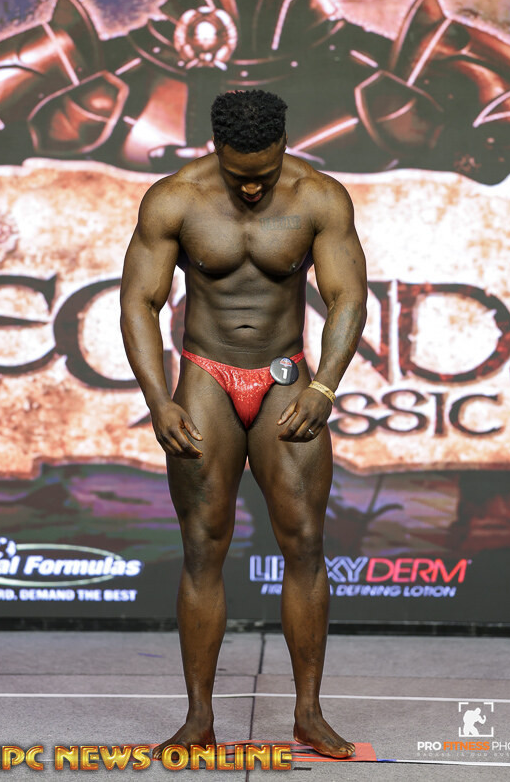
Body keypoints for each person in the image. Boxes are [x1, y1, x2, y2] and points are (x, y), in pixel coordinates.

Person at [120, 89, 367, 759]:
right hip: (207, 376)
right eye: (238, 174)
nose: (253, 186)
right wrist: (158, 399)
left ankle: (308, 715)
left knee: (305, 543)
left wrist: (325, 385)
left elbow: (347, 295)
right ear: (216, 150)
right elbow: (139, 301)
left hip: (286, 375)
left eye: (265, 171)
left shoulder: (319, 197)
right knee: (203, 547)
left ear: (284, 146)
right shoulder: (175, 199)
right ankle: (198, 719)